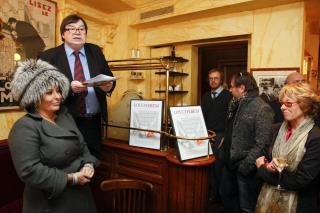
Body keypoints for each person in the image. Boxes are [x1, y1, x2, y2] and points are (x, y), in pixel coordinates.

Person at [8, 59, 99, 213]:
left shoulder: (65, 116)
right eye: (49, 93)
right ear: (34, 98)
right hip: (49, 201)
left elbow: (82, 146)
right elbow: (30, 171)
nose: (58, 96)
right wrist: (72, 178)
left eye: (58, 91)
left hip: (80, 196)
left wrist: (88, 164)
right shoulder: (24, 127)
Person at [38, 14, 116, 158]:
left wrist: (109, 86)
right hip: (62, 122)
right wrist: (67, 87)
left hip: (93, 123)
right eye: (71, 28)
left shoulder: (95, 51)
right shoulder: (48, 57)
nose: (77, 32)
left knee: (93, 163)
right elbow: (41, 91)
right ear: (62, 34)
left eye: (81, 29)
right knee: (68, 162)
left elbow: (109, 76)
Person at [255, 83, 320, 213]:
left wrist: (263, 170)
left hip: (299, 205)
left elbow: (300, 180)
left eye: (288, 103)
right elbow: (262, 155)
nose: (282, 107)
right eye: (282, 103)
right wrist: (269, 166)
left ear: (305, 105)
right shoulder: (276, 129)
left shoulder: (315, 137)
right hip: (267, 200)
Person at [219, 71, 274, 213]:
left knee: (246, 207)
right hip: (229, 164)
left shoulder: (262, 108)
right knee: (227, 200)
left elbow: (263, 144)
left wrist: (245, 166)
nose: (230, 90)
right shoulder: (235, 103)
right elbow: (233, 128)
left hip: (245, 169)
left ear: (242, 88)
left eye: (232, 87)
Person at [201, 68, 232, 203]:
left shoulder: (228, 96)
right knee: (207, 166)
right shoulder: (206, 96)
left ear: (221, 80)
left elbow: (232, 119)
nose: (213, 81)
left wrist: (225, 137)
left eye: (216, 78)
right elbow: (202, 117)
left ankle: (219, 197)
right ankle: (210, 193)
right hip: (206, 135)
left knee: (218, 167)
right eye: (211, 78)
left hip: (220, 136)